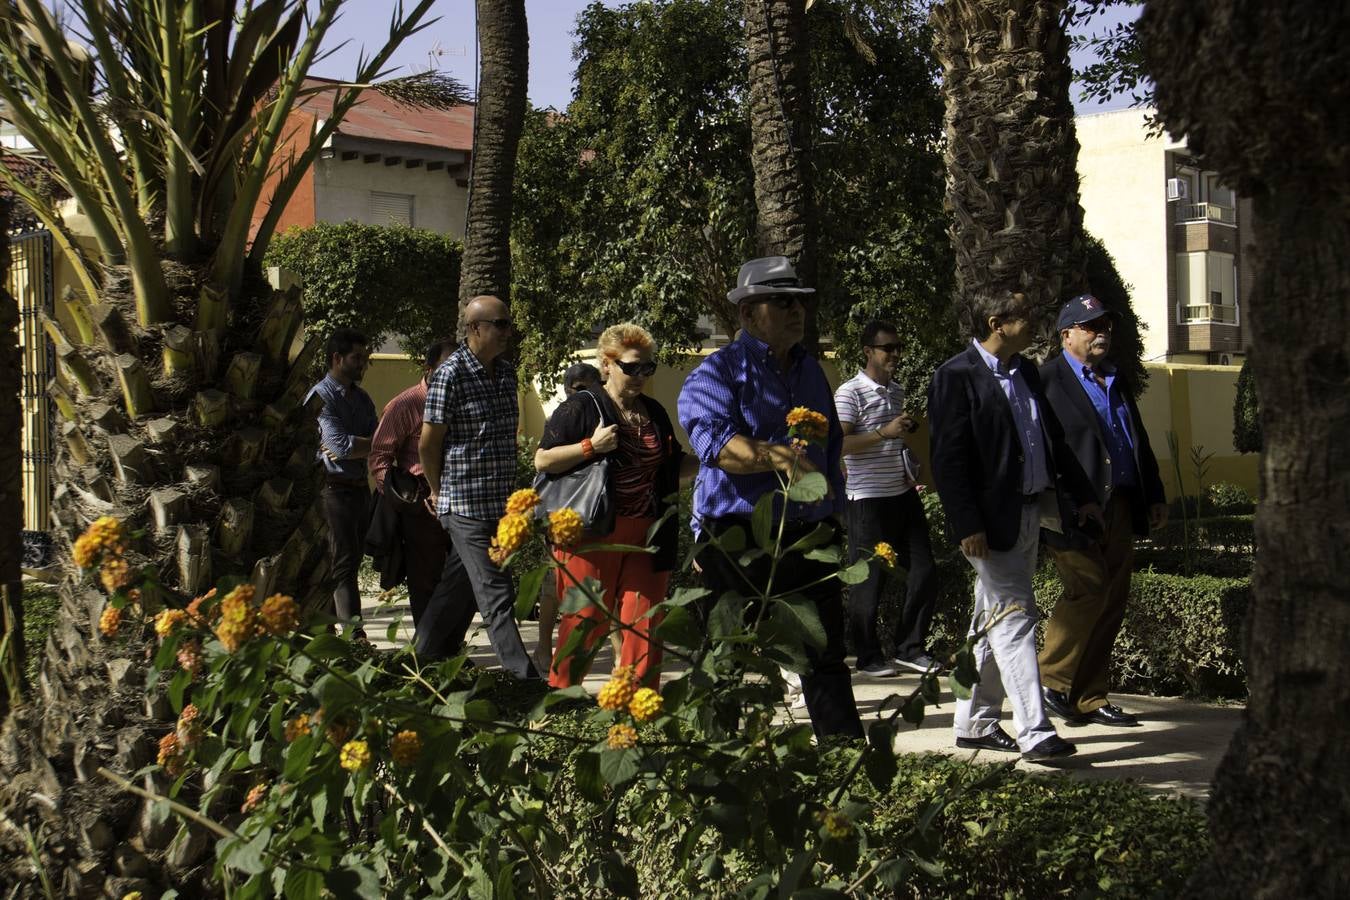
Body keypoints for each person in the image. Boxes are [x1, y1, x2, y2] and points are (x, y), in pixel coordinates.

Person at [678, 256, 863, 740]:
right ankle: (720, 771)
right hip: (738, 539)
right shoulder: (715, 374)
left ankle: (845, 764)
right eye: (781, 301)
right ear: (746, 314)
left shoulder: (812, 372)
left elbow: (832, 449)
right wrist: (781, 458)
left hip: (807, 535)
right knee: (728, 658)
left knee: (823, 655)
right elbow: (716, 447)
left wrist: (833, 515)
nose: (795, 310)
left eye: (799, 300)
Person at [927, 289, 1102, 762]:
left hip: (1029, 512)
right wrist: (966, 523)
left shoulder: (1024, 372)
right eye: (1026, 315)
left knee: (991, 619)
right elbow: (948, 460)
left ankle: (974, 725)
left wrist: (1082, 495)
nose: (1036, 321)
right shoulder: (954, 376)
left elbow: (1051, 440)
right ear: (996, 322)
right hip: (987, 523)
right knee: (1015, 618)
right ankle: (1034, 730)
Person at [536, 324, 697, 688]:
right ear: (606, 365)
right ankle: (561, 707)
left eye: (647, 368)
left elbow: (673, 466)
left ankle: (641, 715)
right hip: (592, 534)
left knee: (645, 626)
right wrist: (589, 447)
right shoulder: (581, 407)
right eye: (631, 367)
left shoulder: (653, 411)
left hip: (647, 533)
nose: (640, 376)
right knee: (584, 623)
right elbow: (543, 461)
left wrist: (716, 456)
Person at [1037, 295, 1167, 726]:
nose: (1102, 333)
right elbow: (1048, 451)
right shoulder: (1047, 380)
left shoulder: (1115, 378)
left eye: (1105, 325)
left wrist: (1154, 494)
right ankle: (1050, 679)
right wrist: (1068, 502)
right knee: (1089, 587)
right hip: (1074, 509)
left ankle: (1088, 698)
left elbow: (1137, 438)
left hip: (1121, 505)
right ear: (1066, 334)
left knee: (1111, 600)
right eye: (1091, 326)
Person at [416, 296, 540, 680]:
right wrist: (437, 491)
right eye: (499, 324)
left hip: (499, 506)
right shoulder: (449, 375)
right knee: (496, 594)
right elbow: (428, 444)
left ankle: (420, 659)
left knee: (459, 589)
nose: (507, 332)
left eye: (508, 324)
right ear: (474, 329)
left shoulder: (506, 374)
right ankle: (526, 681)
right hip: (464, 505)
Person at [835, 321, 940, 677]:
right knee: (868, 581)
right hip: (867, 498)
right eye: (887, 348)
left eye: (898, 347)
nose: (895, 354)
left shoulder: (896, 391)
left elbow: (890, 437)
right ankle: (868, 657)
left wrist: (902, 433)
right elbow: (839, 444)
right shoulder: (849, 393)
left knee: (924, 570)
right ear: (868, 352)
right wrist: (883, 432)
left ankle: (910, 647)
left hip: (901, 493)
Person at [366, 338, 457, 628]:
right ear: (430, 369)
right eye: (447, 367)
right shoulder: (407, 404)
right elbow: (380, 457)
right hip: (421, 508)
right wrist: (405, 501)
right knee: (425, 582)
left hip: (460, 501)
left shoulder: (462, 401)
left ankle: (449, 649)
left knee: (458, 581)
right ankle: (430, 652)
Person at [533, 359, 613, 671]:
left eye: (586, 388)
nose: (579, 394)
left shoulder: (608, 413)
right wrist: (590, 447)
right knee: (553, 585)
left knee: (603, 590)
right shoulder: (565, 415)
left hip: (597, 512)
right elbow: (543, 460)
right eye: (574, 389)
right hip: (563, 510)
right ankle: (544, 648)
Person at [307, 327, 377, 631]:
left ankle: (335, 635)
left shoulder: (361, 398)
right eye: (357, 357)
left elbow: (383, 440)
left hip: (359, 491)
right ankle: (354, 639)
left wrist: (361, 446)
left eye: (365, 358)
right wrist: (364, 445)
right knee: (342, 567)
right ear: (337, 358)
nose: (363, 363)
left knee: (350, 564)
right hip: (333, 493)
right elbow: (340, 447)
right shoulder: (320, 397)